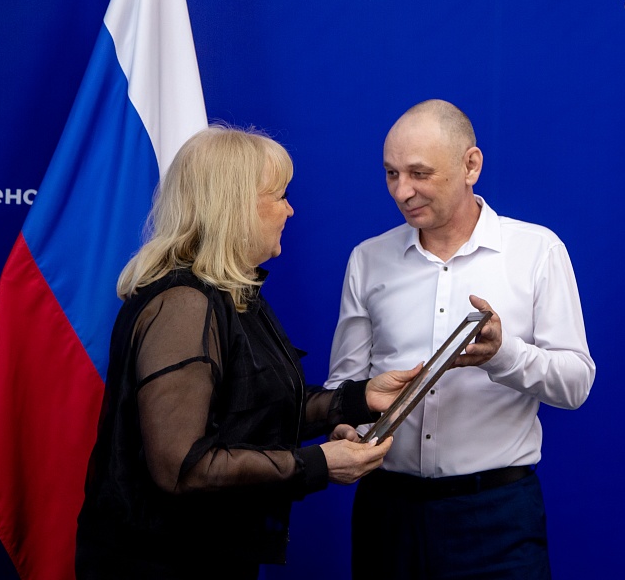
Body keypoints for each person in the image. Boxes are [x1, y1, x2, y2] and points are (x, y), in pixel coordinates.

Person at [74, 125, 420, 580]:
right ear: (236, 206)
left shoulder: (231, 294)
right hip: (161, 564)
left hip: (216, 556)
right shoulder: (184, 303)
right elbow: (182, 468)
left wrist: (362, 397)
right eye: (280, 196)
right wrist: (319, 464)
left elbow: (256, 411)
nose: (290, 210)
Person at [324, 100, 596, 579]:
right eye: (391, 174)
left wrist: (503, 355)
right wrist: (344, 426)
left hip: (497, 517)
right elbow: (343, 387)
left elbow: (575, 384)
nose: (402, 191)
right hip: (386, 514)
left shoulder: (536, 251)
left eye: (419, 173)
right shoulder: (367, 259)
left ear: (471, 165)